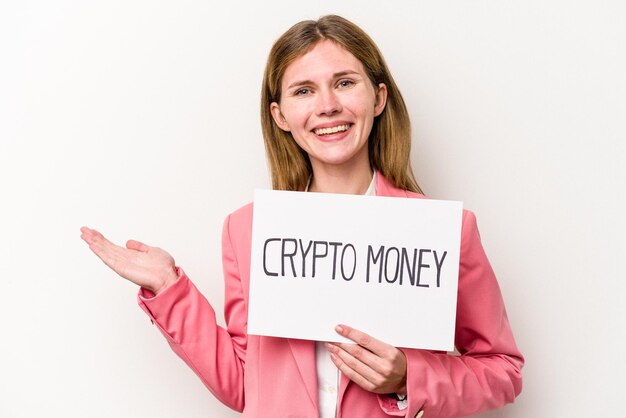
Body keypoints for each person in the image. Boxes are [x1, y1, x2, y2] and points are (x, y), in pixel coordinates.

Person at [80, 15, 523, 418]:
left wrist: (409, 376)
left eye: (345, 82)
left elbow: (503, 370)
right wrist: (168, 289)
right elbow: (244, 385)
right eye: (303, 91)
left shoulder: (442, 232)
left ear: (379, 97)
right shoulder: (248, 230)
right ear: (281, 116)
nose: (327, 105)